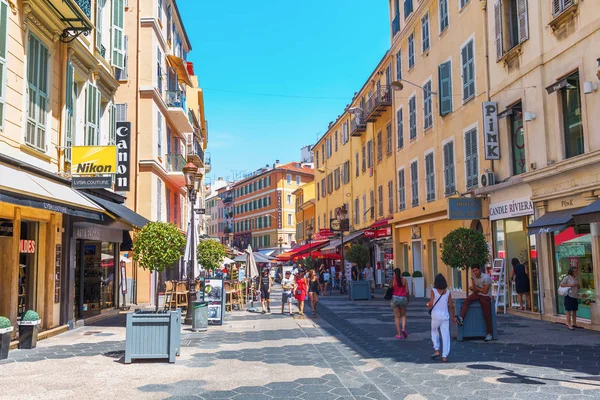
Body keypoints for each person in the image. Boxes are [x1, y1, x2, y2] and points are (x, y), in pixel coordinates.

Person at [456, 264, 494, 341]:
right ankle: (461, 318)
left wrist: (476, 288)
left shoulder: (486, 278)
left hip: (485, 296)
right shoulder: (473, 278)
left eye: (476, 270)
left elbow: (485, 291)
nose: (475, 272)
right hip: (477, 294)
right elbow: (476, 289)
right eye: (473, 271)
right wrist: (473, 289)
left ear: (480, 269)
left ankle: (489, 333)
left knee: (487, 314)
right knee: (467, 301)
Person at [427, 274, 456, 363]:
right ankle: (444, 356)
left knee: (434, 331)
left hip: (435, 315)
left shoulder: (433, 291)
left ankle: (436, 350)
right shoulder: (448, 292)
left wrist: (427, 305)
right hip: (445, 316)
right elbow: (451, 306)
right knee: (446, 335)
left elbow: (431, 303)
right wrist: (453, 317)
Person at [390, 268, 409, 339]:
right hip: (403, 298)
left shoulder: (393, 281)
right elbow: (407, 291)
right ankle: (403, 328)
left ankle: (399, 334)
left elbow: (390, 289)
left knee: (397, 317)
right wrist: (408, 299)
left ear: (394, 274)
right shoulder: (404, 280)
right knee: (403, 315)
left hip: (395, 298)